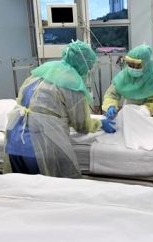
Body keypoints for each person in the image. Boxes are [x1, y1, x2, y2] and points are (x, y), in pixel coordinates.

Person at [6, 40, 116, 178]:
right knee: (51, 187)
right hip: (39, 145)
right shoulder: (72, 83)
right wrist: (99, 123)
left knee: (20, 187)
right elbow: (81, 125)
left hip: (14, 138)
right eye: (89, 65)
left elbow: (39, 106)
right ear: (82, 63)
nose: (88, 70)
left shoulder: (45, 70)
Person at [102, 44, 153, 120]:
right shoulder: (124, 75)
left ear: (146, 64)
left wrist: (143, 111)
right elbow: (111, 94)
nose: (133, 68)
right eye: (130, 64)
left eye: (137, 65)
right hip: (131, 110)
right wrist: (110, 106)